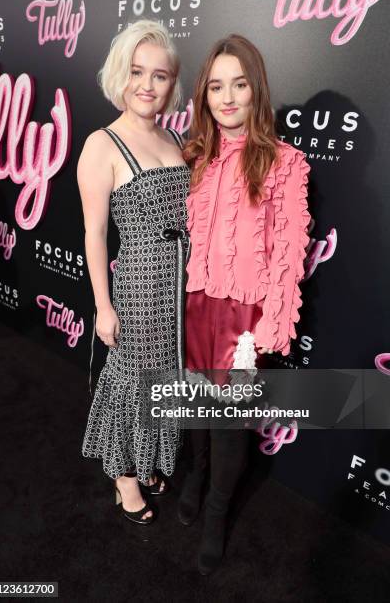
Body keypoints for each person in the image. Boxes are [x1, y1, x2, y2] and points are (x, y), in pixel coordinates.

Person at [180, 34, 311, 573]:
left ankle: (215, 513)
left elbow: (289, 250)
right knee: (194, 405)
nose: (228, 97)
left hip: (243, 317)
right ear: (204, 95)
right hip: (196, 304)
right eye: (216, 86)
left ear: (256, 90)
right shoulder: (196, 157)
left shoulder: (286, 163)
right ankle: (195, 473)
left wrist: (272, 323)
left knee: (229, 422)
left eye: (239, 84)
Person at [78, 19, 190, 525]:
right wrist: (103, 305)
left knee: (167, 379)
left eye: (160, 75)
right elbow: (95, 235)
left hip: (182, 283)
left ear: (173, 83)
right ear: (120, 76)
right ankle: (124, 478)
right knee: (135, 381)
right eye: (137, 72)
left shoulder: (174, 138)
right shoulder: (102, 145)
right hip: (141, 285)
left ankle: (146, 461)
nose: (148, 85)